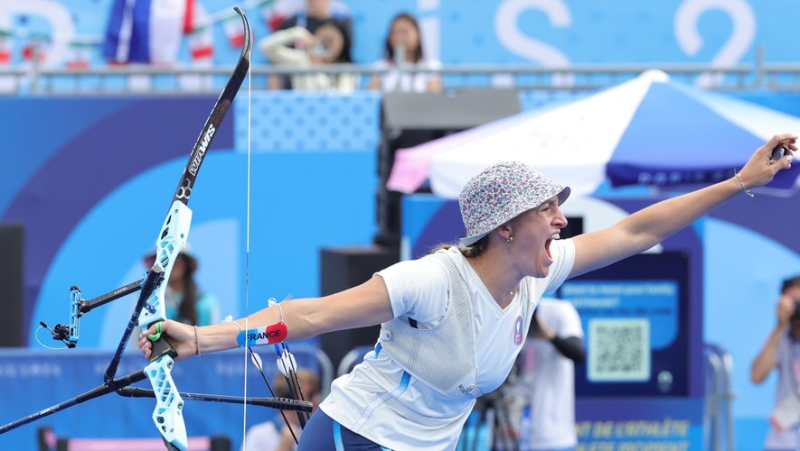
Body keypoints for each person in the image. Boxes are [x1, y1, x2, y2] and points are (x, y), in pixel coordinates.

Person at [141, 134, 796, 450]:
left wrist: (738, 182)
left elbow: (639, 227)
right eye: (550, 210)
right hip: (358, 437)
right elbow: (310, 313)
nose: (562, 222)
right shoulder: (431, 279)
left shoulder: (539, 277)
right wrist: (201, 338)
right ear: (506, 226)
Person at [512, 298, 585, 450]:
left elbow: (578, 354)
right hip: (512, 432)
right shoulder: (507, 312)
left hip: (553, 435)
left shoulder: (560, 311)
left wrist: (548, 334)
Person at [751, 275, 800, 450]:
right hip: (783, 439)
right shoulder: (780, 336)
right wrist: (779, 326)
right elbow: (757, 376)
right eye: (792, 302)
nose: (796, 307)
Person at [259, 17, 357, 92]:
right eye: (323, 41)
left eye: (331, 41)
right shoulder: (301, 60)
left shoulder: (347, 69)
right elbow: (265, 47)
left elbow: (342, 98)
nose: (326, 47)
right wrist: (297, 33)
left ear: (343, 43)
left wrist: (318, 69)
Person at [242, 369, 322, 451]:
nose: (317, 399)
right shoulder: (258, 435)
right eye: (311, 394)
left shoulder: (314, 435)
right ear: (291, 396)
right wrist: (283, 446)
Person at [368, 12, 441, 93]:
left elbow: (434, 100)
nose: (400, 37)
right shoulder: (380, 67)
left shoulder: (430, 66)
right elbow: (373, 97)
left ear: (418, 35)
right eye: (396, 32)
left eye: (405, 32)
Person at [143, 250, 219, 326]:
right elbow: (138, 336)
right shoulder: (146, 300)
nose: (171, 263)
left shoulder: (206, 301)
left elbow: (213, 336)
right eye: (164, 259)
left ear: (186, 263)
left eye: (177, 258)